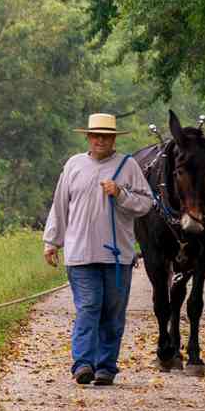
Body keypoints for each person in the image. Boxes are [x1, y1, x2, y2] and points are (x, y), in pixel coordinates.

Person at [43, 112, 155, 387]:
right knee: (89, 306)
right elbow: (60, 205)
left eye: (106, 136)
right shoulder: (74, 165)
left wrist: (121, 193)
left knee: (112, 312)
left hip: (117, 255)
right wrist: (52, 241)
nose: (100, 140)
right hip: (80, 253)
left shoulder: (128, 166)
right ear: (88, 137)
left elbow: (147, 204)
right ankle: (83, 364)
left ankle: (105, 367)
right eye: (96, 135)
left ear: (114, 138)